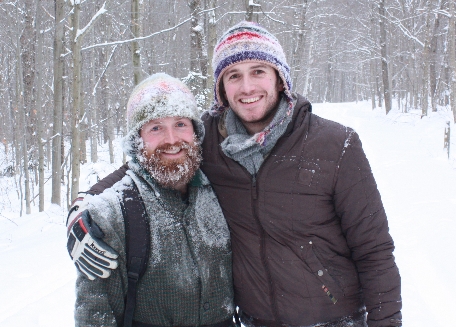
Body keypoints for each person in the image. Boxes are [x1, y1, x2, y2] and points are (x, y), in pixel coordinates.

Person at [67, 22, 402, 327]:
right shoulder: (206, 140)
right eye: (233, 75)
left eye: (258, 71)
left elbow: (374, 250)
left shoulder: (334, 144)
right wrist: (81, 212)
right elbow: (143, 165)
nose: (247, 87)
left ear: (279, 78)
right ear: (222, 89)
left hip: (333, 318)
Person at [67, 73, 234, 326]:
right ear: (138, 140)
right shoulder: (111, 216)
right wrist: (79, 211)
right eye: (156, 127)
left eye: (180, 124)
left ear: (195, 132)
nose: (171, 139)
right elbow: (95, 318)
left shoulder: (221, 187)